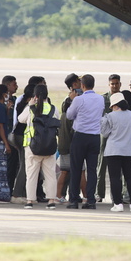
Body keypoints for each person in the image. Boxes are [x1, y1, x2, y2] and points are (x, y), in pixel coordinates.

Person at [66, 74, 103, 209]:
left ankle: (74, 200)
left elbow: (70, 115)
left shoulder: (78, 100)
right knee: (92, 170)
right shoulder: (100, 99)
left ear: (82, 85)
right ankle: (91, 200)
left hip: (80, 136)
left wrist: (72, 100)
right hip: (94, 136)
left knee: (76, 168)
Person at [19, 84, 59, 209]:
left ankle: (30, 201)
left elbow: (20, 119)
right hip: (49, 147)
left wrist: (30, 105)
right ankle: (51, 200)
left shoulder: (31, 108)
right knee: (50, 175)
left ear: (35, 96)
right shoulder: (53, 109)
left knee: (31, 174)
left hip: (32, 147)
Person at [101, 91, 131, 212]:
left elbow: (105, 133)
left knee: (115, 177)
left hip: (113, 150)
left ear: (114, 105)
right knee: (130, 177)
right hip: (129, 150)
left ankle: (118, 204)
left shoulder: (110, 116)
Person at [12, 76, 43, 202]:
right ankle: (17, 194)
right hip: (22, 137)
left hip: (17, 136)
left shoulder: (20, 102)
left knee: (25, 165)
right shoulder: (29, 106)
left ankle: (24, 194)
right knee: (25, 166)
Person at [96, 73, 122, 202]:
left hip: (119, 135)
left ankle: (117, 195)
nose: (115, 86)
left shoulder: (123, 98)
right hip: (105, 135)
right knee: (101, 164)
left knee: (119, 167)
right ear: (109, 84)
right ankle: (99, 193)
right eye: (112, 84)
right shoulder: (103, 99)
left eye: (117, 83)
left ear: (120, 84)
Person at [57, 73, 82, 202]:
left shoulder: (72, 100)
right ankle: (59, 195)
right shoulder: (70, 101)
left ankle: (67, 194)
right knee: (67, 171)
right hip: (69, 144)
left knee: (70, 172)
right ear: (74, 84)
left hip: (67, 144)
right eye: (79, 81)